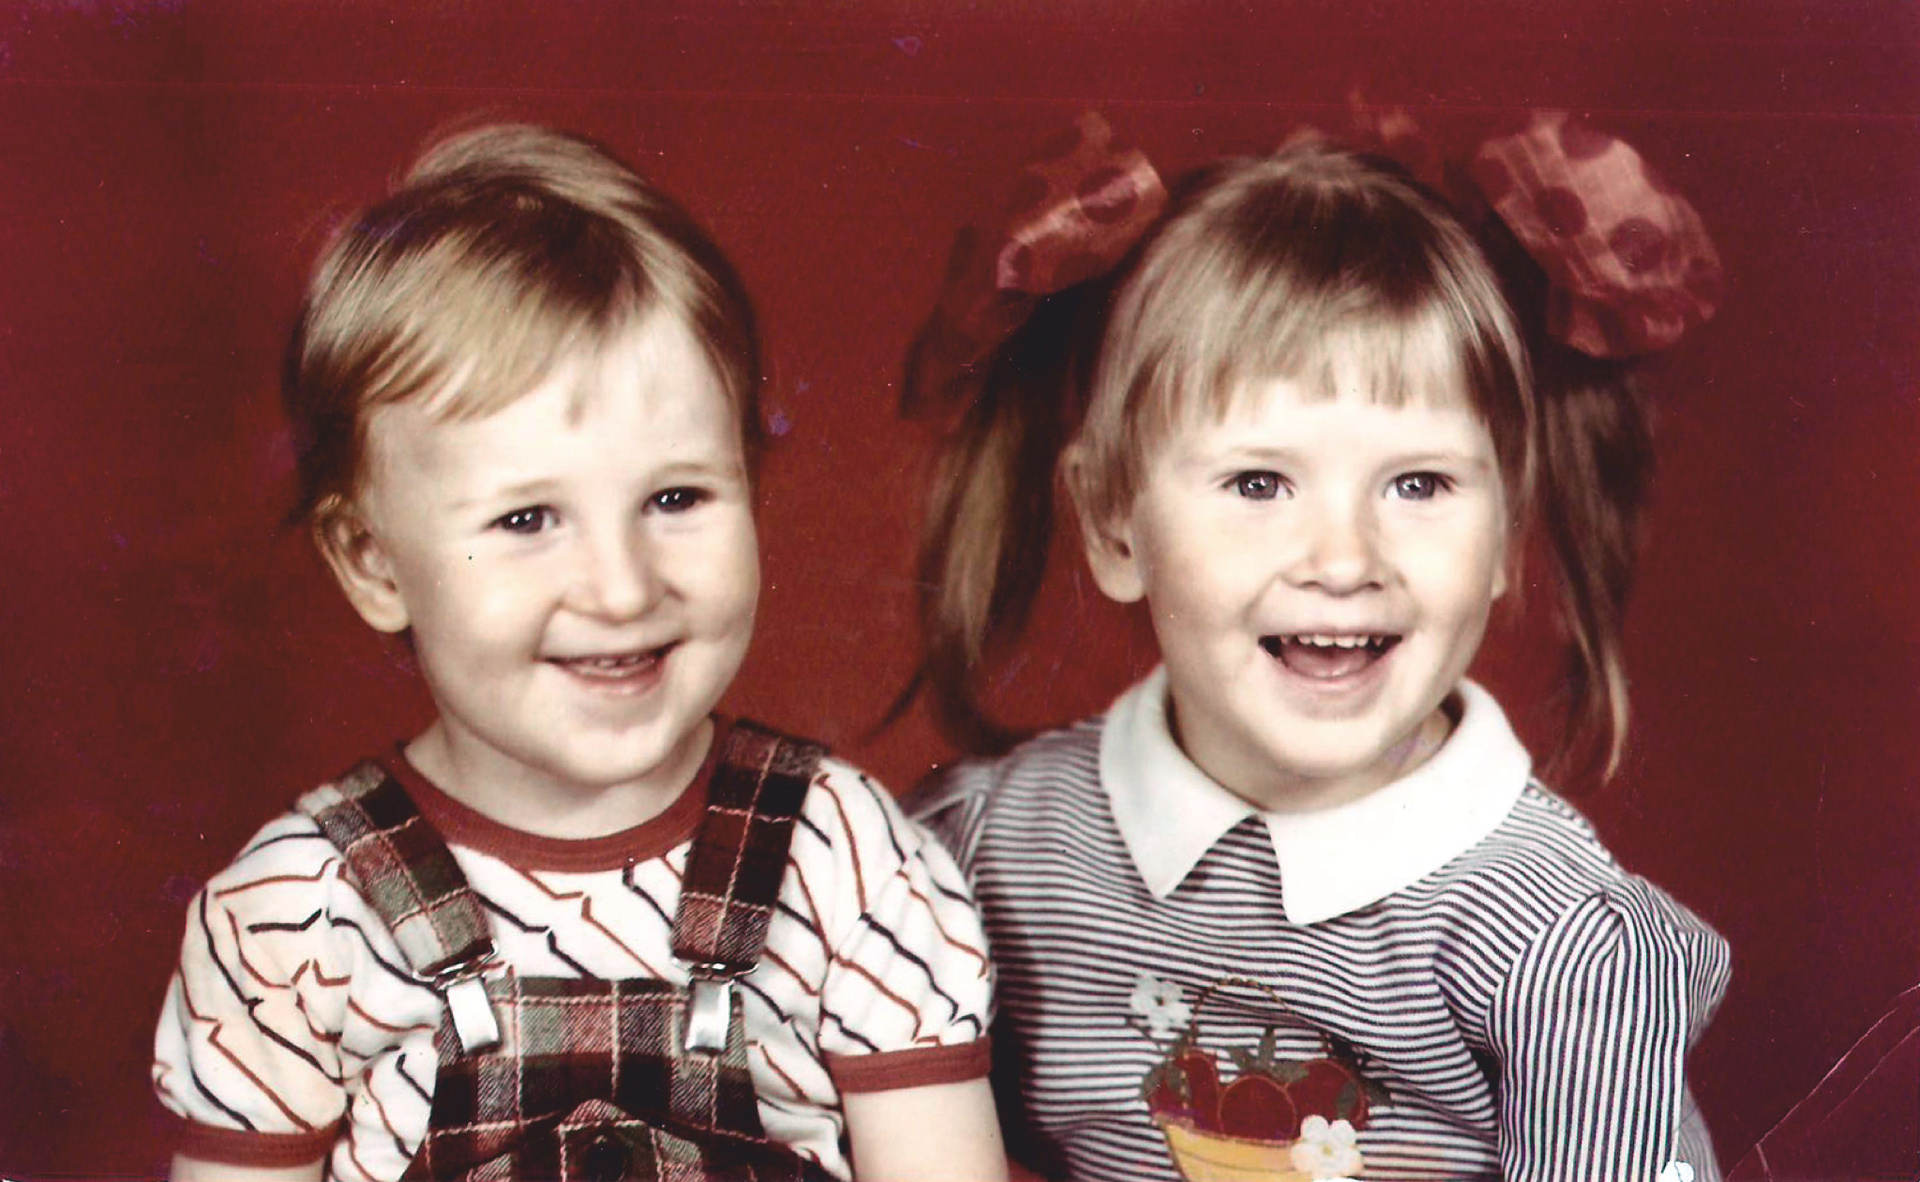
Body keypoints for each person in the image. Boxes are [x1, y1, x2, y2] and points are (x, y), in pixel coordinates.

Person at [152, 123, 1006, 1182]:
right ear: (373, 562)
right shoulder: (295, 913)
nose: (622, 587)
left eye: (676, 497)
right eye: (526, 519)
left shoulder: (841, 857)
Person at [908, 123, 1729, 1181]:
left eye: (1419, 484)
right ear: (1114, 525)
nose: (1344, 560)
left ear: (1504, 534)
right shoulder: (993, 849)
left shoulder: (1554, 940)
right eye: (1259, 483)